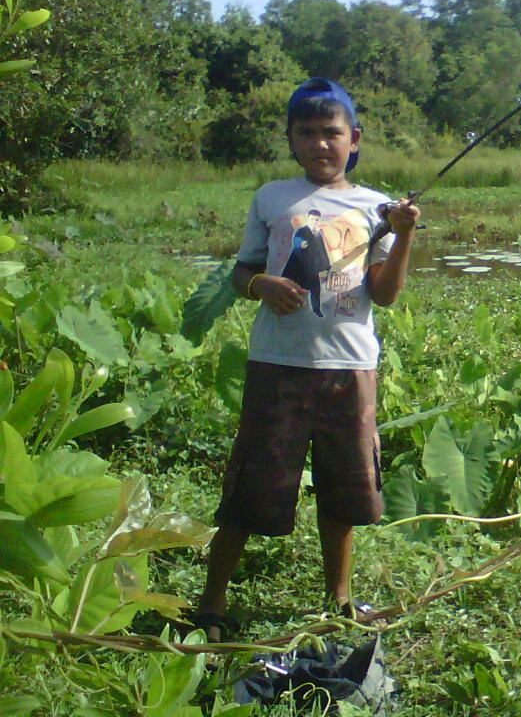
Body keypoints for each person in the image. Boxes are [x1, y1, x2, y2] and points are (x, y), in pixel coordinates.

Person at [194, 77, 419, 641]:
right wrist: (263, 286)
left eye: (332, 133)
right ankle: (212, 604)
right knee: (251, 487)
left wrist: (405, 235)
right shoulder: (273, 198)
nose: (321, 144)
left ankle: (338, 601)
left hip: (349, 369)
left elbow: (384, 294)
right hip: (277, 366)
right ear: (291, 140)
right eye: (308, 133)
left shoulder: (378, 209)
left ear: (355, 138)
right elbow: (243, 271)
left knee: (344, 488)